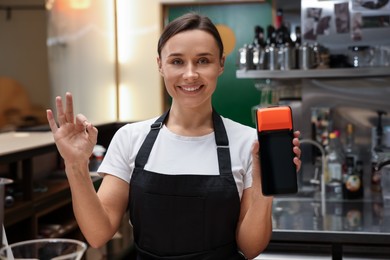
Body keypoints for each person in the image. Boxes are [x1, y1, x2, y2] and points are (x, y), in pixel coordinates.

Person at [47, 13, 301, 260]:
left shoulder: (248, 142)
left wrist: (263, 187)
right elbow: (98, 234)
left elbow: (250, 248)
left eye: (203, 60)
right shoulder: (129, 138)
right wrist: (75, 165)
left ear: (221, 64)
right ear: (160, 64)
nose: (190, 74)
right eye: (177, 61)